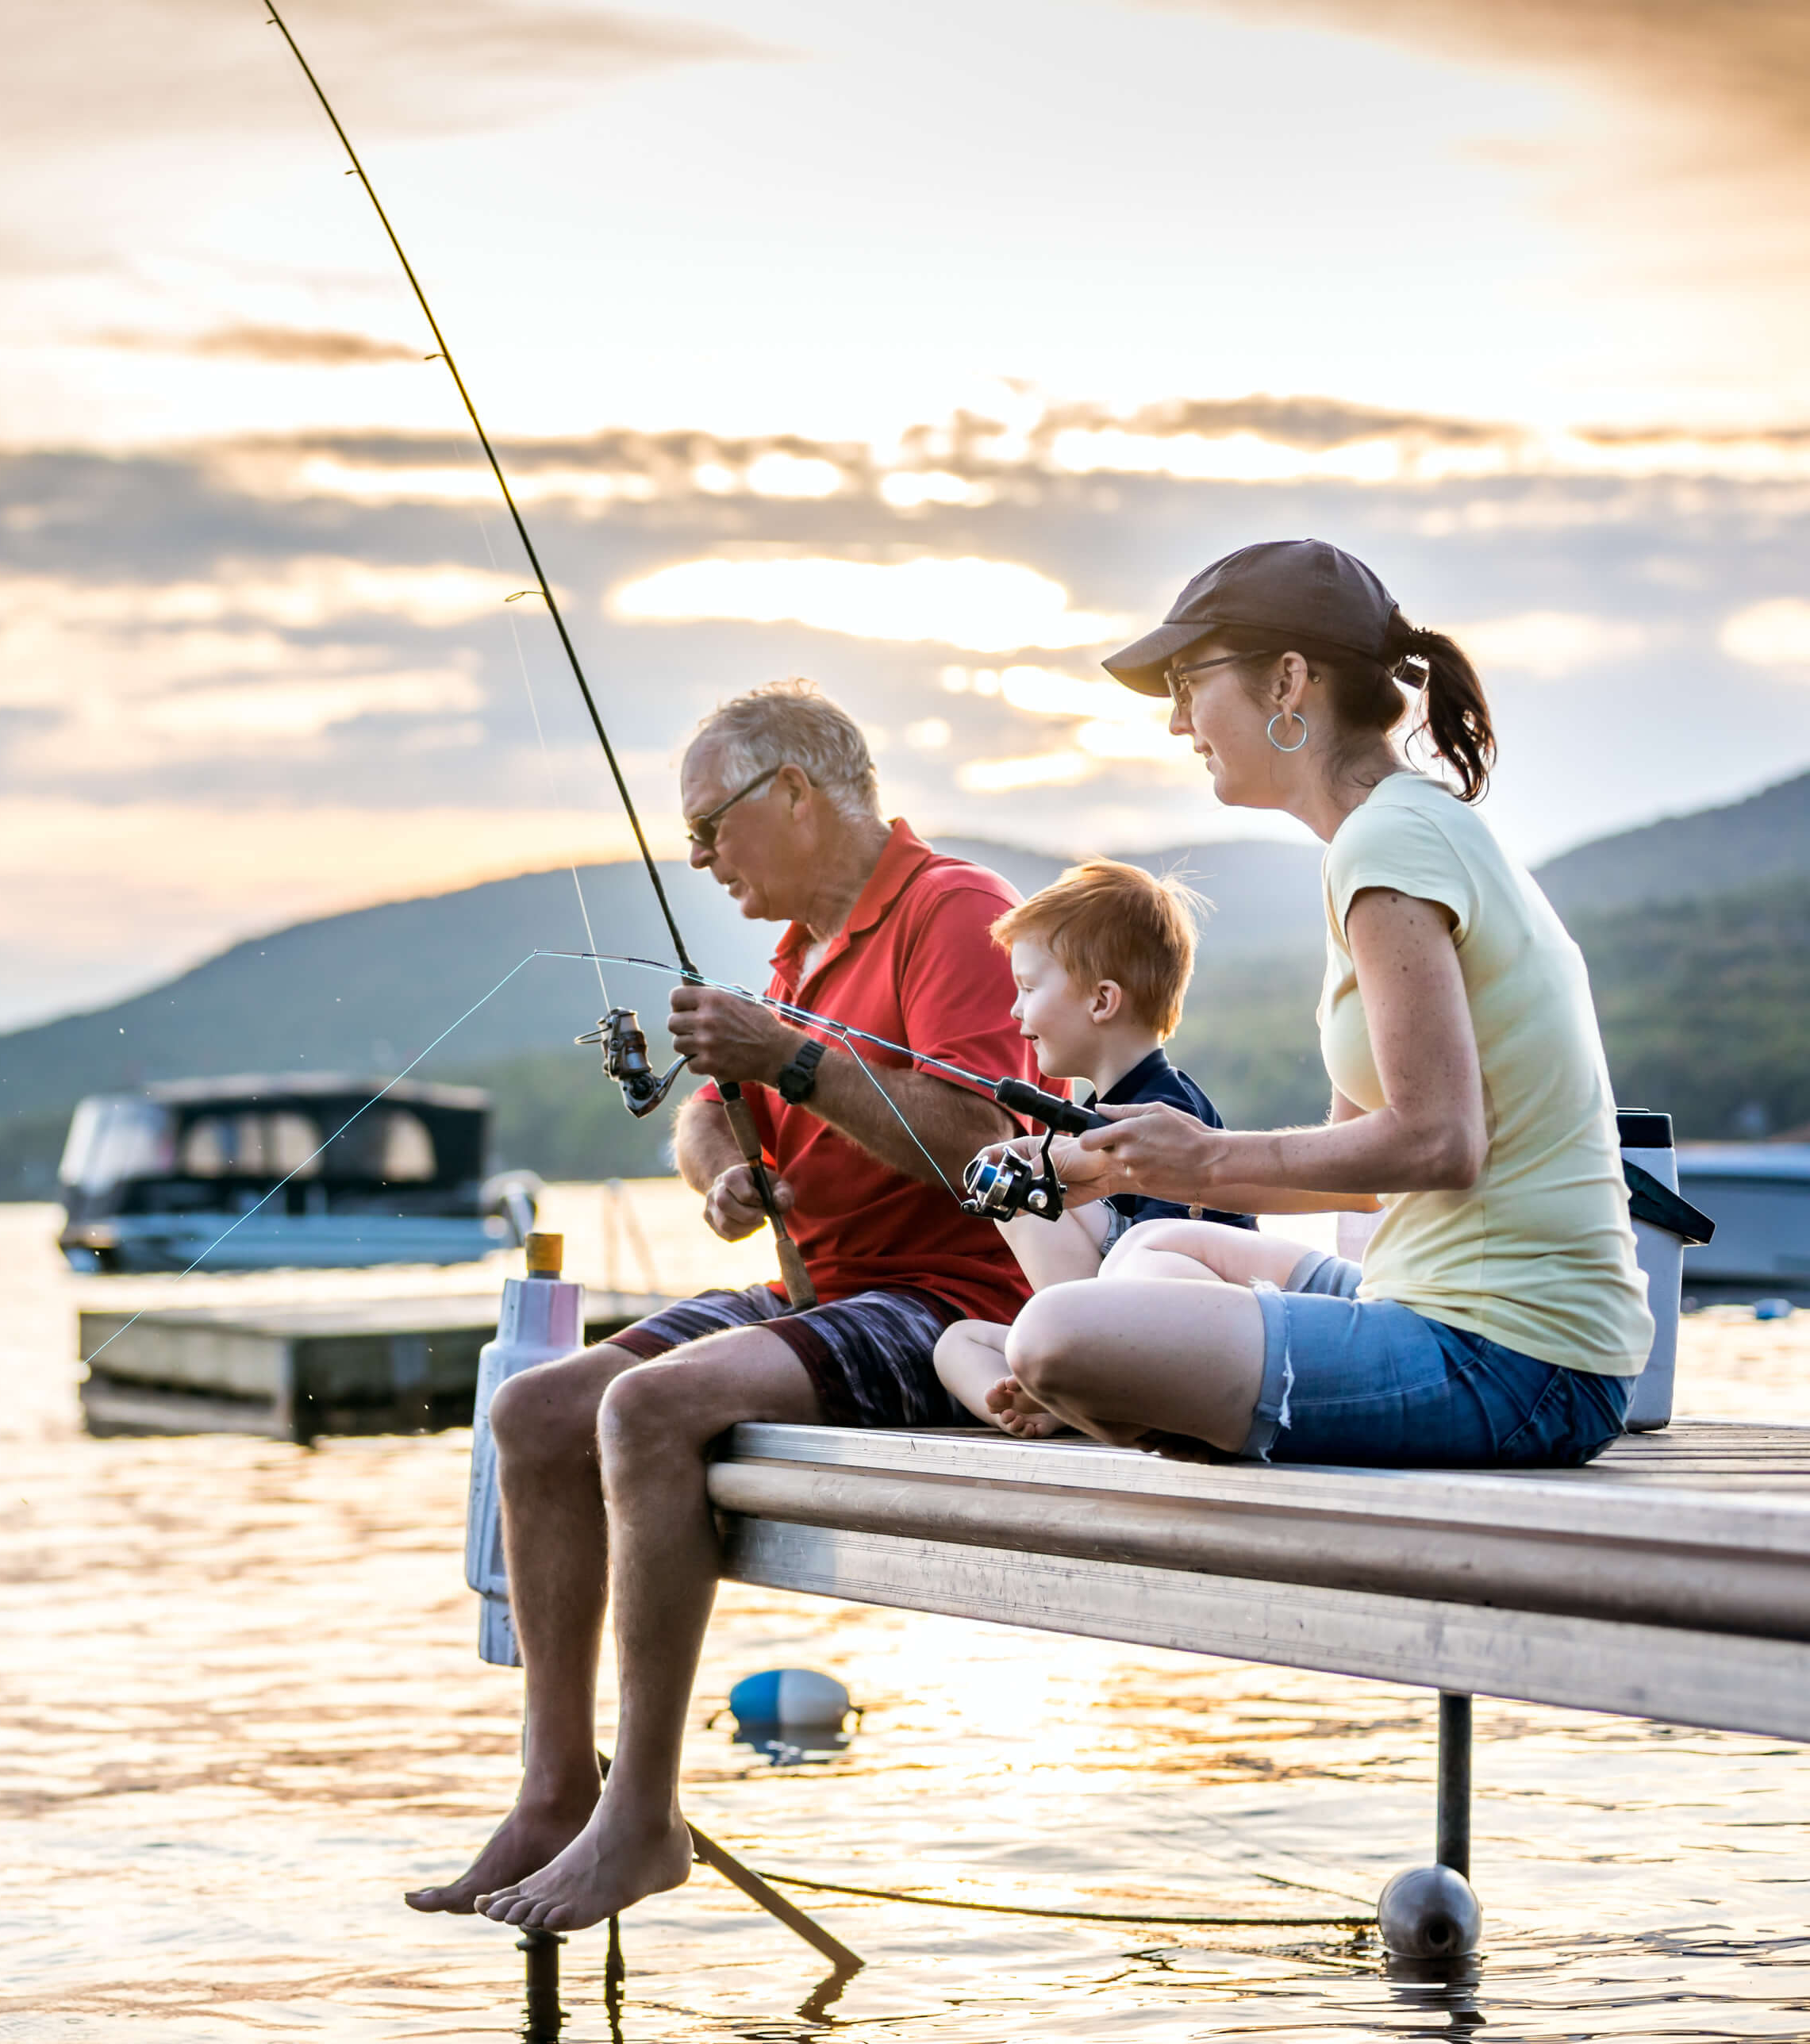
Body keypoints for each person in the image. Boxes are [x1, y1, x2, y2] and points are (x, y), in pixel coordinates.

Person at [405, 678, 1031, 1934]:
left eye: (712, 825)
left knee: (645, 1410)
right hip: (816, 1295)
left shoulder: (953, 913)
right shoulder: (799, 955)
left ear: (796, 793)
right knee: (533, 1414)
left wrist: (792, 1060)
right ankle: (549, 1794)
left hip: (952, 1306)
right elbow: (700, 1112)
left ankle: (643, 1817)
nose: (698, 857)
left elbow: (985, 1143)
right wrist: (724, 1169)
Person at [976, 538, 1651, 1467]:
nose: (1179, 722)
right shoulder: (1393, 835)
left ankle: (1157, 1407)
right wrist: (1128, 1171)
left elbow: (1441, 1143)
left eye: (1188, 681)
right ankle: (1180, 1403)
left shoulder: (1389, 845)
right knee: (1159, 1246)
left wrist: (1205, 1155)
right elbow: (1364, 1171)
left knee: (1055, 1338)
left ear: (1289, 680)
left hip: (1514, 1359)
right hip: (1434, 1304)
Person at [932, 858, 1259, 1424]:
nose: (1015, 1010)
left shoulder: (1168, 1117)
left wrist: (1030, 1187)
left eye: (1029, 988)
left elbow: (1167, 1266)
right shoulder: (1091, 1118)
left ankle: (1078, 1382)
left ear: (1102, 1001)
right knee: (955, 1343)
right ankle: (1053, 1398)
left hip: (1188, 1341)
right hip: (1115, 1331)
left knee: (1021, 1194)